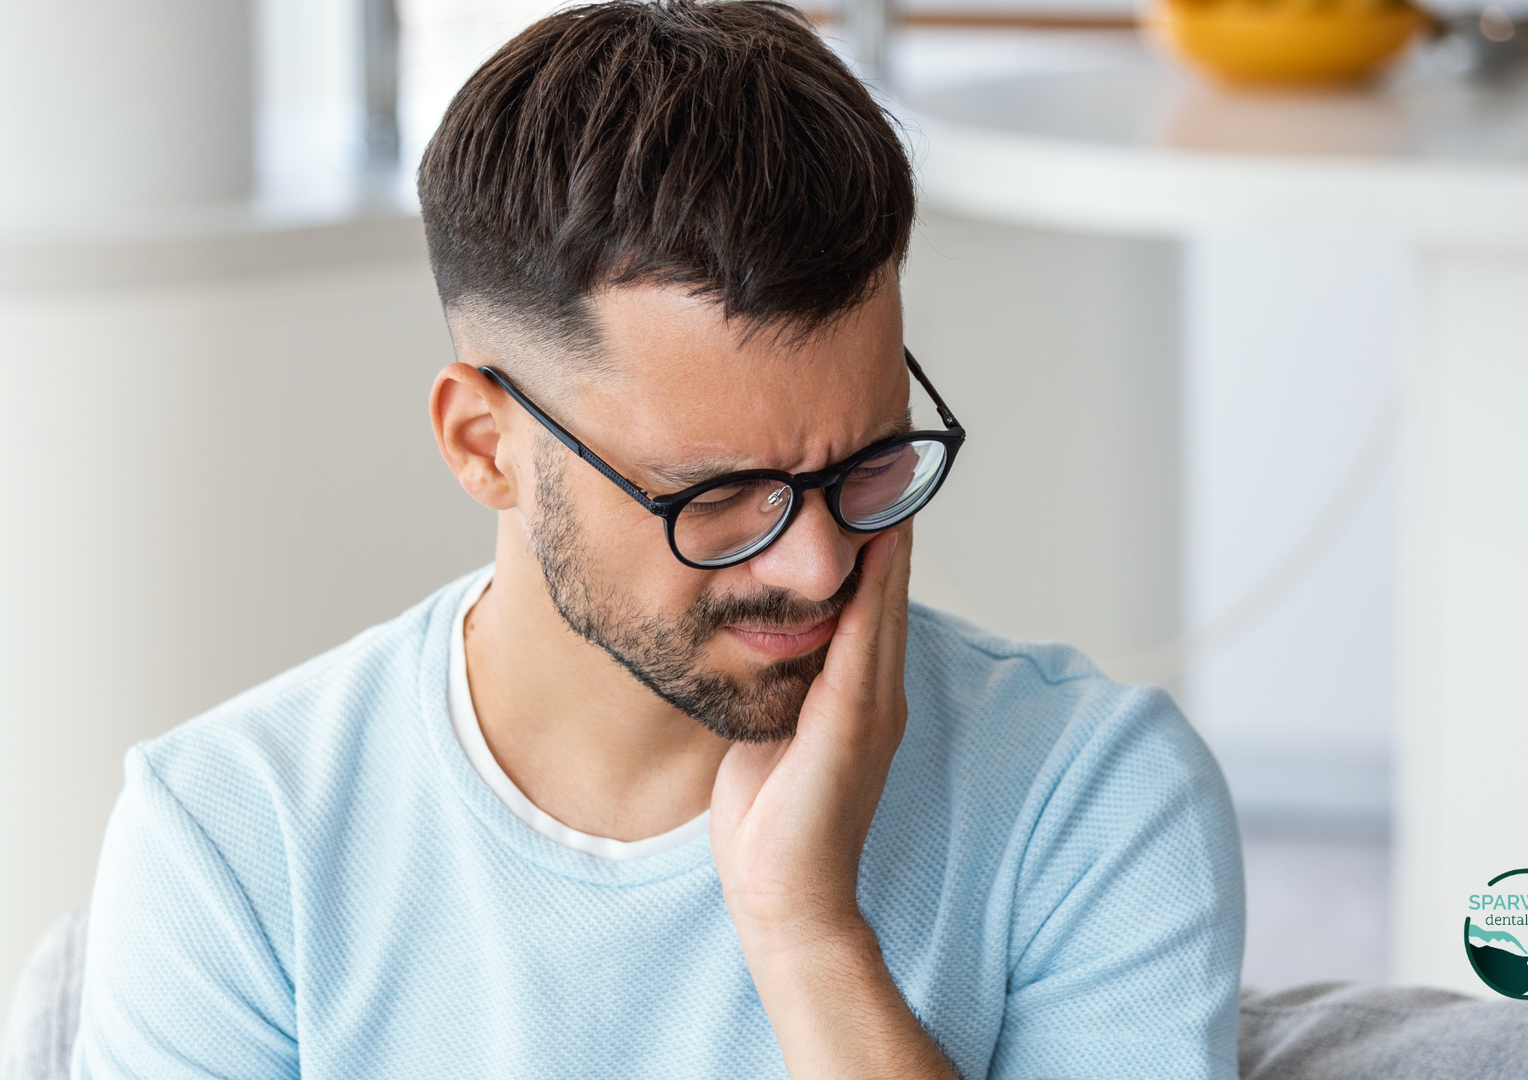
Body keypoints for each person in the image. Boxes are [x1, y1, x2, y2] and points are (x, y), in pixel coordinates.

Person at [71, 3, 1244, 1078]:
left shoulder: (1088, 797)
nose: (819, 565)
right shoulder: (234, 840)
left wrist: (804, 930)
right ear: (486, 444)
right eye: (721, 496)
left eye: (866, 465)